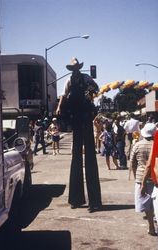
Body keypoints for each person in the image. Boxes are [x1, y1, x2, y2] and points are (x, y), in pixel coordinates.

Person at [56, 58, 102, 212]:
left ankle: (94, 202)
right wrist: (59, 107)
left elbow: (96, 89)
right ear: (71, 69)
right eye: (73, 68)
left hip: (86, 116)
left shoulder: (86, 78)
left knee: (90, 155)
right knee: (76, 155)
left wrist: (91, 94)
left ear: (79, 68)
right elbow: (63, 95)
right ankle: (76, 199)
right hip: (76, 117)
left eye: (76, 67)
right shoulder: (69, 80)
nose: (75, 70)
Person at [130, 123, 157, 236]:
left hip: (141, 177)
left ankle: (151, 225)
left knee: (146, 204)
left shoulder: (137, 145)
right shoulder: (157, 144)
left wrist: (136, 175)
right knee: (157, 202)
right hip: (157, 176)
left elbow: (132, 162)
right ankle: (156, 222)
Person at [141, 123, 158, 249]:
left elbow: (149, 163)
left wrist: (143, 182)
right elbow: (157, 166)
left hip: (151, 183)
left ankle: (151, 226)